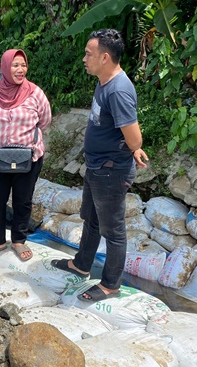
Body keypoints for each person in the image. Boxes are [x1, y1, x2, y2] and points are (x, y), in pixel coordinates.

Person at [50, 29, 149, 302]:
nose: (84, 58)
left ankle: (110, 285)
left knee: (113, 231)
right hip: (97, 166)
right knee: (90, 219)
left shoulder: (118, 90)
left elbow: (134, 136)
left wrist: (135, 148)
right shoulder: (104, 81)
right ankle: (81, 265)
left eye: (88, 54)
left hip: (110, 170)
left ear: (105, 57)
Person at [0, 49, 52, 262]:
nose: (20, 70)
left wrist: (23, 140)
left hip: (29, 156)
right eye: (15, 65)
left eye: (23, 65)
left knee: (22, 200)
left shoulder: (35, 93)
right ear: (4, 67)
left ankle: (18, 240)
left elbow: (44, 120)